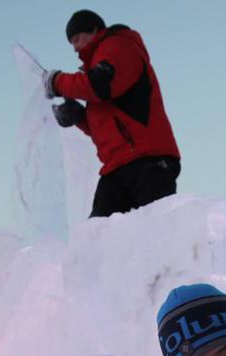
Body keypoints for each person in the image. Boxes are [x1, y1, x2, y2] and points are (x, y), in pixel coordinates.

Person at [45, 10, 181, 218]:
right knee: (98, 238)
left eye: (77, 39)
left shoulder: (119, 45)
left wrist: (57, 82)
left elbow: (101, 83)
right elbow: (108, 126)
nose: (75, 48)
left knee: (157, 235)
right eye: (71, 43)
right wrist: (79, 117)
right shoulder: (96, 68)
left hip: (149, 163)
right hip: (117, 169)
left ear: (93, 30)